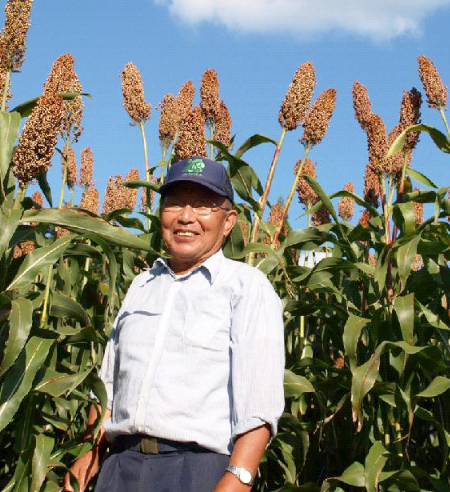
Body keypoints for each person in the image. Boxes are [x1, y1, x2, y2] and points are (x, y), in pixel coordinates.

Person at [65, 156, 285, 492]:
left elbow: (260, 404)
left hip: (196, 471)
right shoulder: (141, 286)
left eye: (202, 205)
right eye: (175, 204)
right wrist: (92, 451)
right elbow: (110, 383)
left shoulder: (246, 287)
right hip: (119, 466)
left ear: (228, 222)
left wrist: (238, 479)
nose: (186, 216)